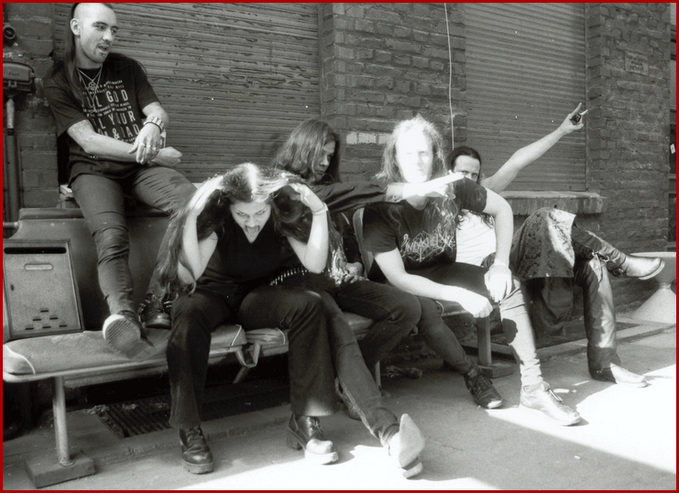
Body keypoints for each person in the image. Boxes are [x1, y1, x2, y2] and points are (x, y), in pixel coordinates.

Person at [159, 163, 426, 477]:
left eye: (259, 213)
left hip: (255, 296)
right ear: (230, 207)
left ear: (270, 205)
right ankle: (189, 428)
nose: (251, 223)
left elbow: (315, 264)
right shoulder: (217, 218)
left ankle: (304, 420)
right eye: (242, 214)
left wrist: (319, 211)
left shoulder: (279, 217)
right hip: (211, 294)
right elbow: (189, 275)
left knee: (308, 304)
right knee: (188, 311)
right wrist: (192, 215)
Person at [361, 115, 582, 426]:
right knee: (424, 308)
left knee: (509, 286)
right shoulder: (380, 204)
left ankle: (534, 387)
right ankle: (472, 374)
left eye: (424, 152)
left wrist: (501, 265)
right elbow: (399, 277)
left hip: (441, 269)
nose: (417, 160)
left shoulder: (453, 187)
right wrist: (461, 295)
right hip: (399, 282)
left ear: (435, 155)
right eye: (408, 152)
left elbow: (502, 209)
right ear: (395, 157)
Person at [272, 119, 502, 411]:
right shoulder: (286, 188)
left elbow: (345, 234)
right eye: (320, 154)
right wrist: (411, 189)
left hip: (340, 280)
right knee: (397, 312)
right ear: (302, 149)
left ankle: (353, 377)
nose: (324, 162)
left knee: (407, 308)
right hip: (302, 284)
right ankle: (358, 385)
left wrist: (355, 263)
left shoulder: (327, 185)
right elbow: (343, 195)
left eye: (329, 156)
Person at [450, 106, 663, 387]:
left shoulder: (484, 195)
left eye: (474, 175)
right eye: (462, 173)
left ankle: (605, 363)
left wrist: (561, 130)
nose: (469, 180)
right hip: (483, 273)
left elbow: (517, 161)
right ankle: (620, 261)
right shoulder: (441, 201)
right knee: (543, 216)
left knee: (592, 266)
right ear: (449, 173)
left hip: (509, 263)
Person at [43, 3, 196, 359]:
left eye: (114, 30)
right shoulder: (57, 79)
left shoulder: (126, 68)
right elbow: (89, 141)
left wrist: (153, 124)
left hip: (139, 170)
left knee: (193, 204)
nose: (109, 37)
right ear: (76, 27)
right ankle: (123, 318)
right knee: (111, 236)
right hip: (93, 170)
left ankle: (158, 301)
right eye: (100, 27)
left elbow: (157, 110)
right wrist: (155, 154)